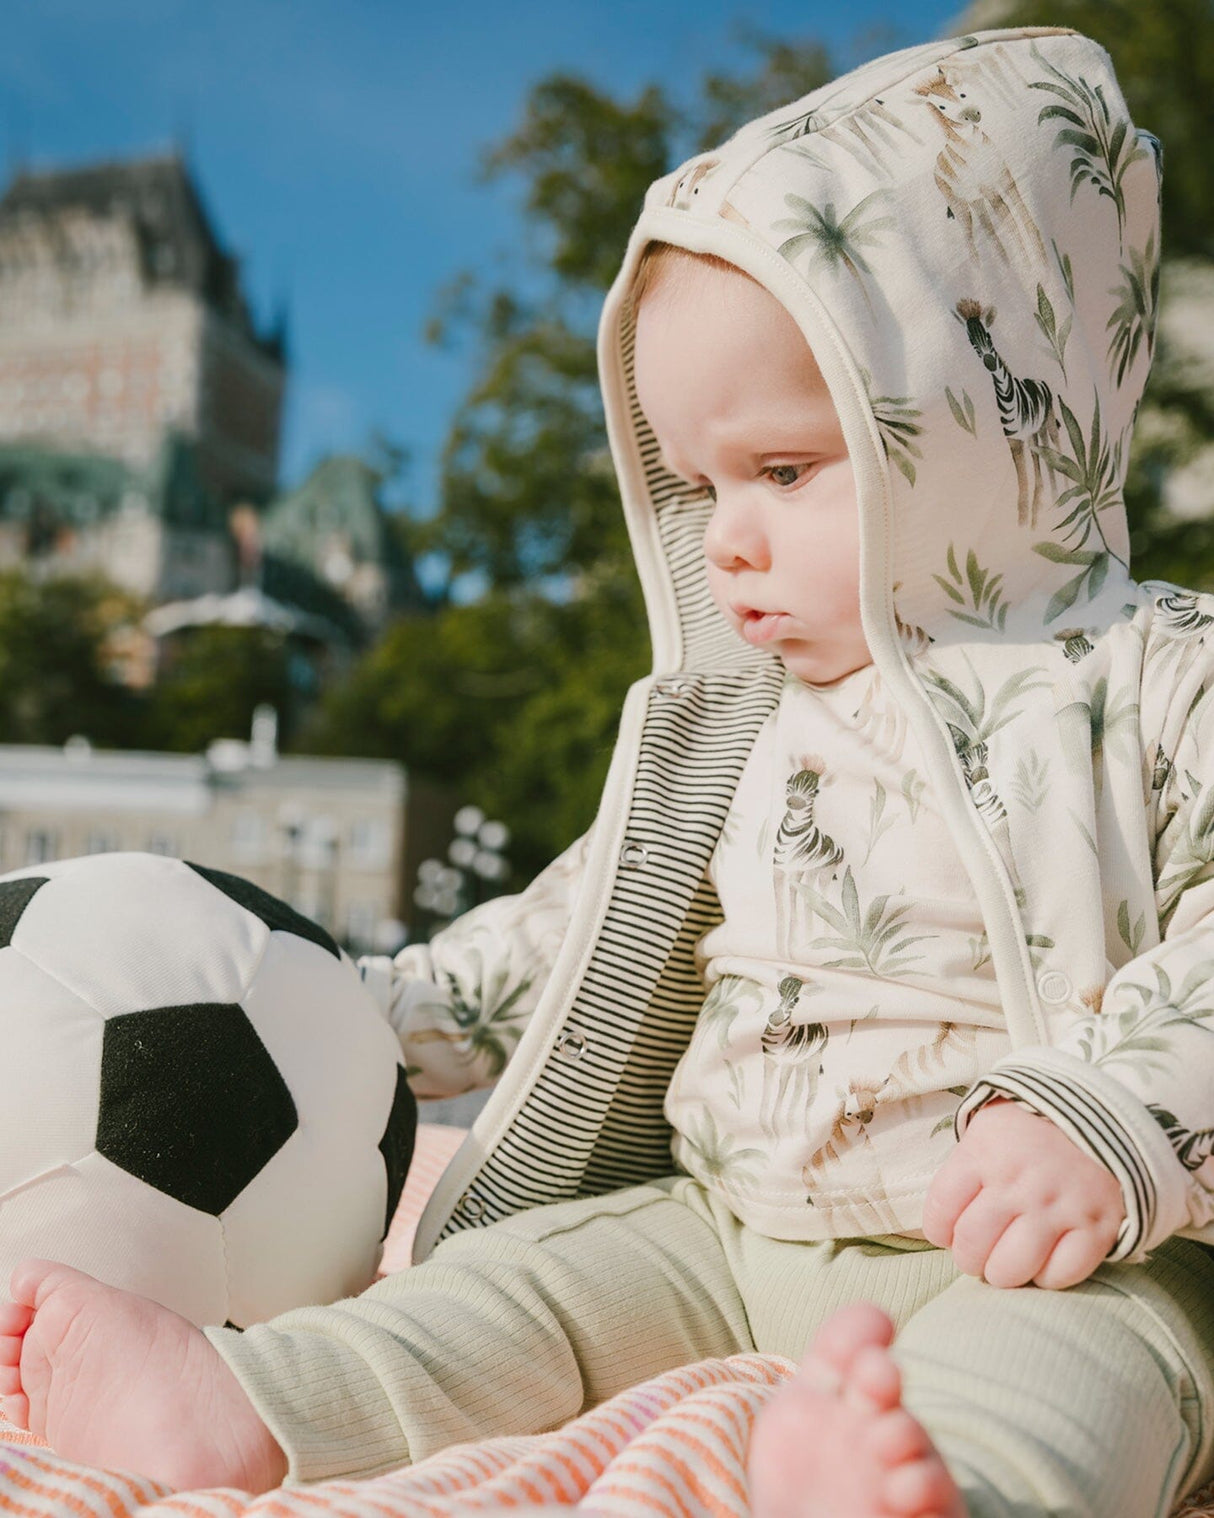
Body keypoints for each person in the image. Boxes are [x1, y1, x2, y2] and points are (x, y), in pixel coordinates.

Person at [3, 23, 1214, 1516]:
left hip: (1056, 1242)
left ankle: (946, 1488)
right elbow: (588, 925)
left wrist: (1115, 1119)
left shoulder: (1157, 673)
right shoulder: (745, 722)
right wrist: (363, 1010)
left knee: (1079, 1377)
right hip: (721, 1223)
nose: (725, 537)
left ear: (978, 426)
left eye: (778, 471)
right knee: (516, 1292)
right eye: (698, 485)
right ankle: (252, 1405)